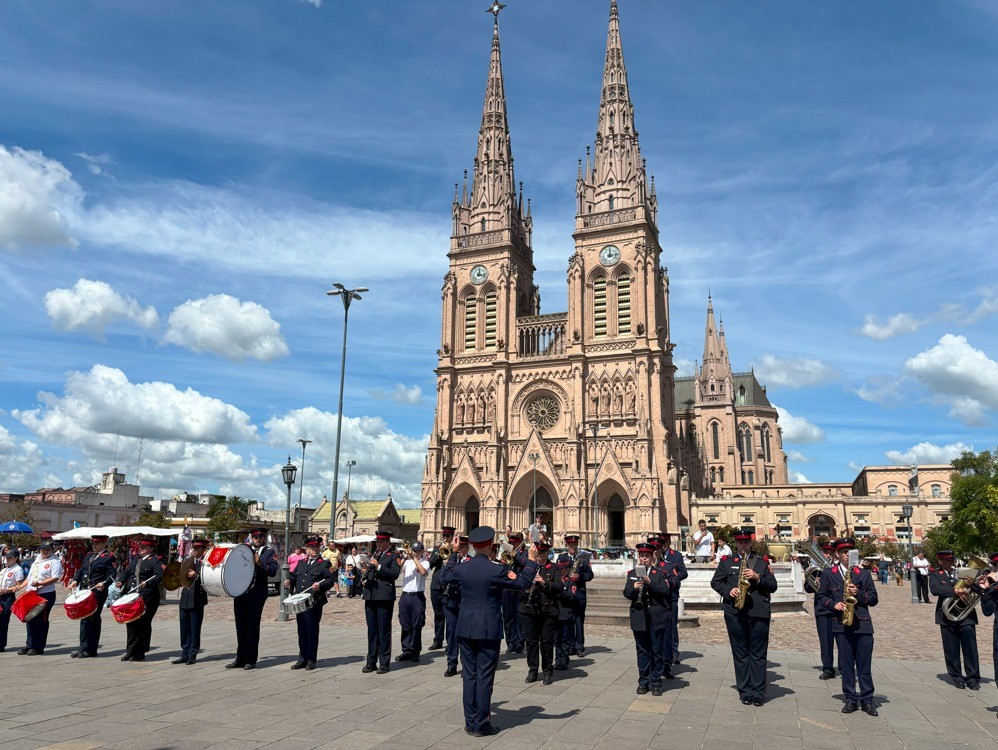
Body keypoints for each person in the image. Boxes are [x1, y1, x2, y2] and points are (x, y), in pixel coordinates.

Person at [441, 525, 540, 737]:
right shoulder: (496, 569)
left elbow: (445, 576)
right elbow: (523, 583)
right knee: (485, 677)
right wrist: (532, 559)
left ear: (474, 546)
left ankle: (470, 722)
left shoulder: (463, 567)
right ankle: (481, 725)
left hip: (465, 629)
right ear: (489, 545)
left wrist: (455, 553)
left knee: (469, 676)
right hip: (487, 630)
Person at [710, 531, 778, 706]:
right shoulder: (727, 562)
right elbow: (715, 582)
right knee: (740, 653)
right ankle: (745, 691)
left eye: (746, 542)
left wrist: (757, 577)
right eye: (740, 543)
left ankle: (759, 692)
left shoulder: (762, 563)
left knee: (758, 653)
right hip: (735, 613)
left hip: (758, 613)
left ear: (750, 544)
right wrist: (728, 591)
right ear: (735, 544)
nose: (743, 546)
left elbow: (773, 586)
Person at [818, 538, 878, 716]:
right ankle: (850, 698)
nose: (846, 555)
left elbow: (874, 599)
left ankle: (867, 699)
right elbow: (821, 597)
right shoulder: (830, 573)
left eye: (850, 551)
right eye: (843, 552)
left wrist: (858, 593)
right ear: (837, 554)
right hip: (841, 624)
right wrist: (833, 604)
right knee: (846, 664)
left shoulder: (863, 574)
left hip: (863, 624)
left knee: (864, 665)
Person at [625, 542, 675, 696]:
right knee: (642, 651)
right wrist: (634, 588)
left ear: (652, 557)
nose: (644, 559)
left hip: (656, 617)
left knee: (656, 650)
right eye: (641, 556)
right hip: (639, 617)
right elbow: (626, 593)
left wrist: (650, 582)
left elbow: (665, 591)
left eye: (646, 556)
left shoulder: (660, 573)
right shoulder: (632, 573)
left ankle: (656, 682)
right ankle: (643, 681)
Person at [929, 550, 981, 690]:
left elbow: (979, 591)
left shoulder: (964, 572)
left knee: (970, 648)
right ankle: (956, 677)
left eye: (952, 560)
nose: (951, 562)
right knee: (951, 649)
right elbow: (934, 589)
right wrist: (954, 591)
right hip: (947, 615)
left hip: (966, 615)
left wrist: (972, 584)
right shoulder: (935, 574)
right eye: (948, 560)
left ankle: (973, 678)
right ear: (941, 561)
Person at [229, 528, 278, 670]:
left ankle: (251, 659)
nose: (257, 539)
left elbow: (273, 571)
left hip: (257, 592)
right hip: (241, 591)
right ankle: (240, 658)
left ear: (264, 538)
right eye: (255, 537)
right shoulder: (244, 549)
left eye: (260, 537)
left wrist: (260, 563)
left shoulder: (269, 552)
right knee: (240, 626)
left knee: (252, 626)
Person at [286, 535, 336, 670]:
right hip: (300, 601)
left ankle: (311, 660)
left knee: (311, 630)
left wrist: (320, 586)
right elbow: (294, 577)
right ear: (307, 548)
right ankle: (302, 658)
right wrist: (289, 583)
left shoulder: (324, 563)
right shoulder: (302, 563)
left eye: (317, 547)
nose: (315, 549)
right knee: (301, 630)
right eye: (312, 547)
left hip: (314, 601)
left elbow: (330, 580)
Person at [115, 536, 165, 662]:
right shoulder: (136, 560)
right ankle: (130, 651)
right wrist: (120, 581)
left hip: (147, 597)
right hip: (132, 595)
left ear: (151, 549)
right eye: (141, 547)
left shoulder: (156, 561)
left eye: (144, 547)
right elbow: (127, 572)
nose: (141, 549)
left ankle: (140, 652)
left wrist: (147, 583)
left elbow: (159, 576)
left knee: (143, 624)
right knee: (131, 623)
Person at [68, 533, 117, 658]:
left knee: (93, 619)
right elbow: (82, 570)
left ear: (104, 544)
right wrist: (75, 580)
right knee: (84, 619)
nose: (94, 545)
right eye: (93, 543)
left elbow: (112, 574)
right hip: (85, 590)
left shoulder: (109, 557)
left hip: (97, 591)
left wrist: (104, 583)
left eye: (97, 543)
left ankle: (91, 649)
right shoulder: (89, 555)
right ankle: (82, 647)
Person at [519, 539, 561, 685]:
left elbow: (559, 586)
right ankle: (533, 671)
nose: (539, 555)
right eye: (537, 552)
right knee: (531, 642)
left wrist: (544, 582)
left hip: (547, 610)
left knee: (547, 642)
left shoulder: (553, 567)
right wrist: (527, 587)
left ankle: (548, 671)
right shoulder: (528, 566)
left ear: (548, 552)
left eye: (542, 552)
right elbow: (518, 584)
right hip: (528, 609)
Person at [361, 530, 401, 674]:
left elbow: (394, 574)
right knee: (372, 631)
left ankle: (384, 662)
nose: (379, 544)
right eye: (378, 541)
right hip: (371, 594)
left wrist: (378, 566)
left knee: (383, 630)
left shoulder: (394, 556)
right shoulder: (375, 554)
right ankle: (371, 661)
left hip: (384, 596)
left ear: (388, 542)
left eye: (382, 541)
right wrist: (367, 569)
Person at [15, 541, 63, 655]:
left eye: (47, 549)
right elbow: (30, 578)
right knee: (30, 618)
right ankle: (30, 644)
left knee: (41, 620)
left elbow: (55, 578)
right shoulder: (37, 561)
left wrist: (40, 583)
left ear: (51, 550)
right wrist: (19, 587)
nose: (45, 551)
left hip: (45, 594)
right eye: (43, 549)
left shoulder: (54, 562)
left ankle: (38, 647)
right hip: (32, 593)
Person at [804, 541, 837, 680]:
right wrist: (816, 583)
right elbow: (807, 587)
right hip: (823, 609)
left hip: (839, 607)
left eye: (830, 553)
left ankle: (845, 666)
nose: (827, 555)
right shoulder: (816, 569)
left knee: (844, 641)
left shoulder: (840, 569)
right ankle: (828, 668)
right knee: (826, 640)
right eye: (825, 553)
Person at [174, 537, 209, 665]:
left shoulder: (206, 562)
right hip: (185, 597)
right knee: (184, 628)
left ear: (203, 549)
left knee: (194, 628)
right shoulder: (188, 561)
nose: (194, 550)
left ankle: (192, 654)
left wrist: (197, 576)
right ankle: (184, 653)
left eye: (197, 548)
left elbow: (208, 579)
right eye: (193, 548)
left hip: (197, 598)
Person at [559, 535, 593, 658]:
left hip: (579, 594)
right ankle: (569, 646)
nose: (573, 547)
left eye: (575, 544)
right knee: (567, 621)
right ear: (567, 545)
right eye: (570, 545)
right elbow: (558, 572)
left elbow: (590, 575)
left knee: (579, 621)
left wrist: (580, 577)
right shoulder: (562, 557)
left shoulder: (584, 558)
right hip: (567, 594)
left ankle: (579, 646)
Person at [658, 533, 687, 669]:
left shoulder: (676, 555)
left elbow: (683, 572)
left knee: (672, 626)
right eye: (660, 542)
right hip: (657, 596)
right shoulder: (654, 555)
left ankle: (674, 652)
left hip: (672, 595)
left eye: (664, 542)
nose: (662, 545)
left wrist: (674, 577)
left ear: (669, 542)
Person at [443, 534, 470, 676]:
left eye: (463, 547)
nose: (460, 549)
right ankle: (451, 663)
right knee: (451, 633)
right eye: (458, 547)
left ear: (468, 547)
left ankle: (466, 662)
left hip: (464, 602)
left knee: (465, 633)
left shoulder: (470, 562)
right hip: (450, 601)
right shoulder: (451, 560)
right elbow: (444, 578)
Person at [397, 542, 428, 663]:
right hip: (405, 595)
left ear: (421, 552)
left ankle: (415, 651)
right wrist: (405, 557)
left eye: (417, 550)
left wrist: (414, 558)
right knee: (405, 624)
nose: (414, 552)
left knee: (417, 624)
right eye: (413, 550)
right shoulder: (407, 562)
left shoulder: (425, 562)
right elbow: (397, 571)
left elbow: (423, 572)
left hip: (417, 596)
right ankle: (406, 650)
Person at [428, 526, 456, 649]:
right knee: (438, 614)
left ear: (452, 537)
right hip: (436, 584)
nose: (445, 538)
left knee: (450, 614)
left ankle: (451, 641)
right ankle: (437, 640)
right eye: (444, 536)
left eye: (447, 536)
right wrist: (440, 552)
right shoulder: (437, 549)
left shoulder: (456, 551)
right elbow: (430, 564)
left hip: (450, 585)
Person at [978, 553, 998, 707]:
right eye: (995, 566)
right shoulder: (993, 586)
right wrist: (985, 591)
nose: (995, 570)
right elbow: (987, 612)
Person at [501, 532, 526, 654]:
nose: (513, 544)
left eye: (515, 542)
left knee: (519, 617)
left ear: (520, 542)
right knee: (507, 617)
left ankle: (519, 643)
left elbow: (526, 563)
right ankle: (510, 642)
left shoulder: (524, 553)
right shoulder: (506, 554)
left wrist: (516, 558)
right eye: (511, 542)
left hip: (518, 588)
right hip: (507, 588)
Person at [0, 550, 25, 652]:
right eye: (7, 557)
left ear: (15, 558)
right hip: (1, 596)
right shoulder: (4, 570)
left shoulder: (17, 569)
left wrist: (6, 590)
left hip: (8, 597)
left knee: (3, 621)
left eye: (10, 557)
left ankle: (1, 644)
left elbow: (19, 585)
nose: (8, 559)